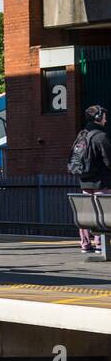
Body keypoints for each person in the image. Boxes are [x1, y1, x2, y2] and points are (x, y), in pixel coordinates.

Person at [73, 105, 111, 253]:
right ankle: (101, 245)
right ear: (98, 117)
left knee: (87, 214)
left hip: (85, 182)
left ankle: (85, 244)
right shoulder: (101, 137)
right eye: (104, 116)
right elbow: (109, 160)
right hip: (102, 183)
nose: (106, 119)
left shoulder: (82, 135)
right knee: (104, 213)